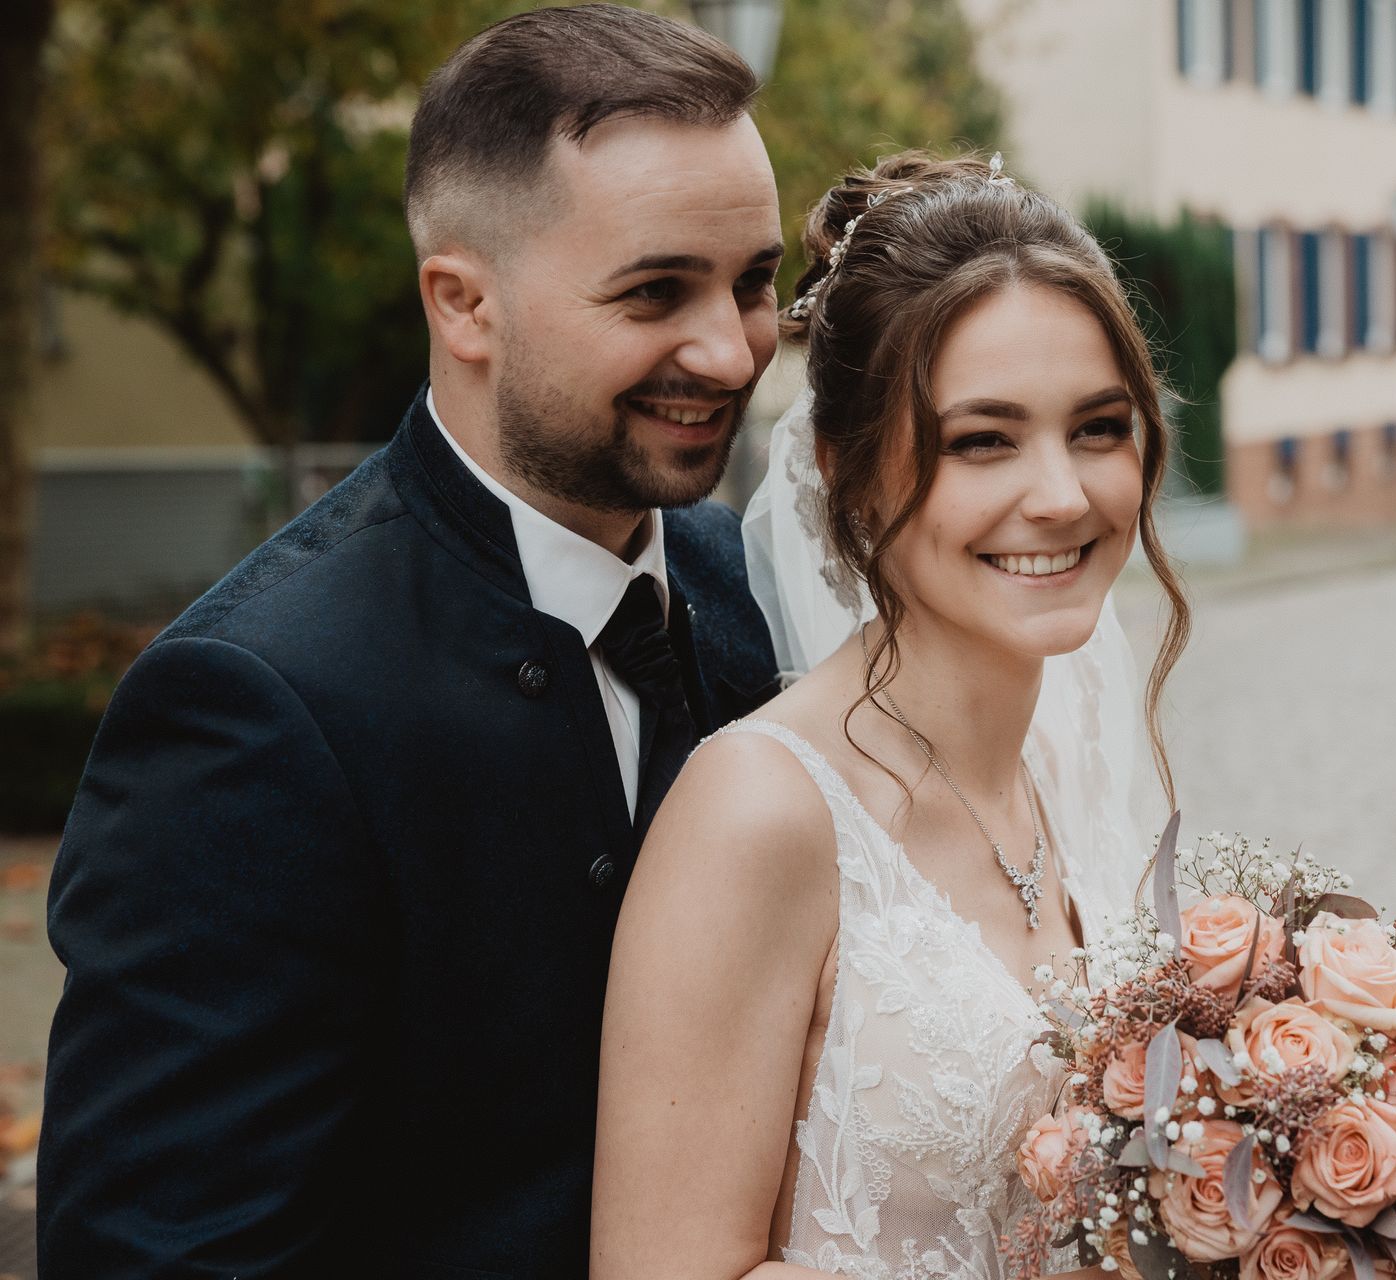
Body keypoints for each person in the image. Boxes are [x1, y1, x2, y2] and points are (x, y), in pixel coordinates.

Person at [38, 8, 782, 1274]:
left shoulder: (743, 582)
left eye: (755, 280)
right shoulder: (250, 707)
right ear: (464, 303)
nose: (731, 347)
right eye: (657, 290)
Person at [591, 152, 1192, 1279]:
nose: (1062, 493)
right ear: (847, 471)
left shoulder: (1079, 745)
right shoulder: (760, 811)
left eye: (1100, 427)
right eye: (984, 440)